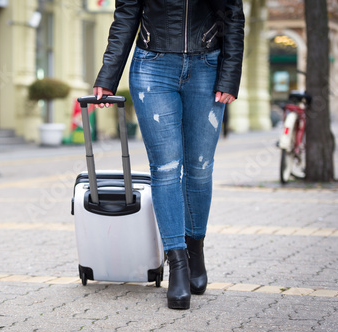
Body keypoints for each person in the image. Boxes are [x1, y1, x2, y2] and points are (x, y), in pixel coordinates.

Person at [93, 0, 245, 310]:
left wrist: (229, 76)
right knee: (165, 168)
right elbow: (126, 16)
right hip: (152, 66)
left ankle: (195, 249)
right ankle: (177, 263)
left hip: (207, 67)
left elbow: (233, 16)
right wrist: (108, 77)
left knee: (200, 168)